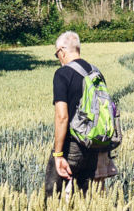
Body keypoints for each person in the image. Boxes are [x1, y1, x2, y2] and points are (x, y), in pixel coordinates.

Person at [46, 31, 116, 197]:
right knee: (86, 196)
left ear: (62, 51)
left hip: (73, 145)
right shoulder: (96, 73)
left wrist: (58, 154)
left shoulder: (62, 74)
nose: (58, 58)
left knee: (53, 195)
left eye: (57, 54)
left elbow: (62, 116)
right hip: (95, 144)